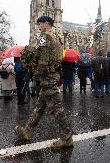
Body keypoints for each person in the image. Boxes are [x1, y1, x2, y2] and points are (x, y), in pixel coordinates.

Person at [14, 16, 73, 150]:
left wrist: (35, 76)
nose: (38, 25)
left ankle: (67, 138)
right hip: (52, 75)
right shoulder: (57, 38)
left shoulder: (44, 38)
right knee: (39, 107)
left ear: (46, 23)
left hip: (47, 77)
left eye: (39, 23)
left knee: (56, 109)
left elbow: (43, 60)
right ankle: (29, 130)